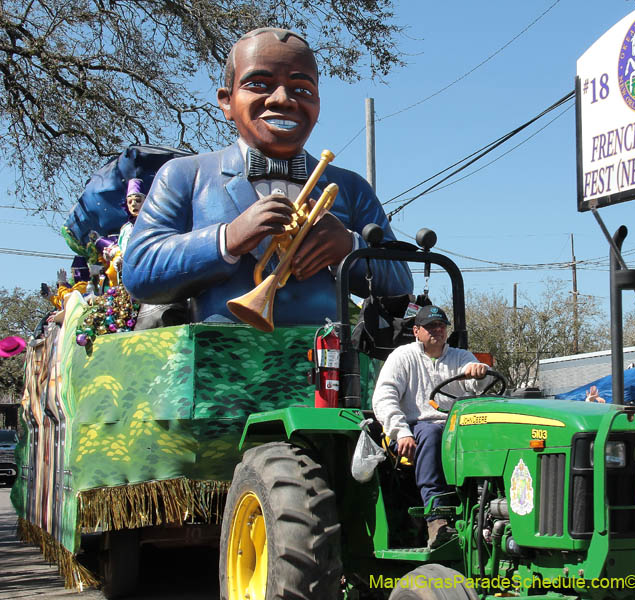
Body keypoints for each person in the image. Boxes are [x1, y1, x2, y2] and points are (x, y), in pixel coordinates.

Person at [123, 28, 412, 324]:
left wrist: (350, 249)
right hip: (217, 359)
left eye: (302, 90)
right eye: (259, 84)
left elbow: (402, 283)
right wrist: (227, 239)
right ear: (226, 101)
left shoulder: (351, 187)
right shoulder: (185, 174)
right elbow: (138, 269)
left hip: (325, 358)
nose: (283, 100)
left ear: (318, 104)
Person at [372, 306, 490, 548]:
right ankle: (436, 520)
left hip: (455, 429)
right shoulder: (403, 357)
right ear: (417, 331)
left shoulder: (461, 357)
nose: (437, 330)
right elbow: (384, 396)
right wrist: (401, 431)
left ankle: (485, 511)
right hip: (414, 428)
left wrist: (480, 373)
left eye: (441, 326)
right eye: (430, 326)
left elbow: (482, 383)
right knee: (433, 433)